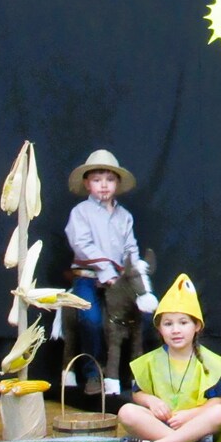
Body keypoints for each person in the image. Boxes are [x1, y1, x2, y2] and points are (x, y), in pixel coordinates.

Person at [64, 149, 156, 396]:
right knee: (91, 319)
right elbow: (81, 245)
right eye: (97, 180)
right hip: (88, 277)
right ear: (87, 183)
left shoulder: (125, 216)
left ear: (117, 183)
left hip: (119, 279)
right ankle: (93, 372)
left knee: (141, 317)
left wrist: (135, 270)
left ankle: (131, 374)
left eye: (109, 179)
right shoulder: (80, 212)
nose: (103, 185)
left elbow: (130, 248)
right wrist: (107, 271)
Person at [117, 274, 221, 442]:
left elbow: (219, 401)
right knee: (126, 412)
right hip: (161, 424)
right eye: (168, 324)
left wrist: (191, 415)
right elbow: (138, 392)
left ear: (197, 326)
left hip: (196, 424)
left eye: (183, 323)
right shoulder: (150, 361)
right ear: (159, 329)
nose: (175, 330)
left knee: (220, 413)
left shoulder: (209, 362)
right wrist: (151, 401)